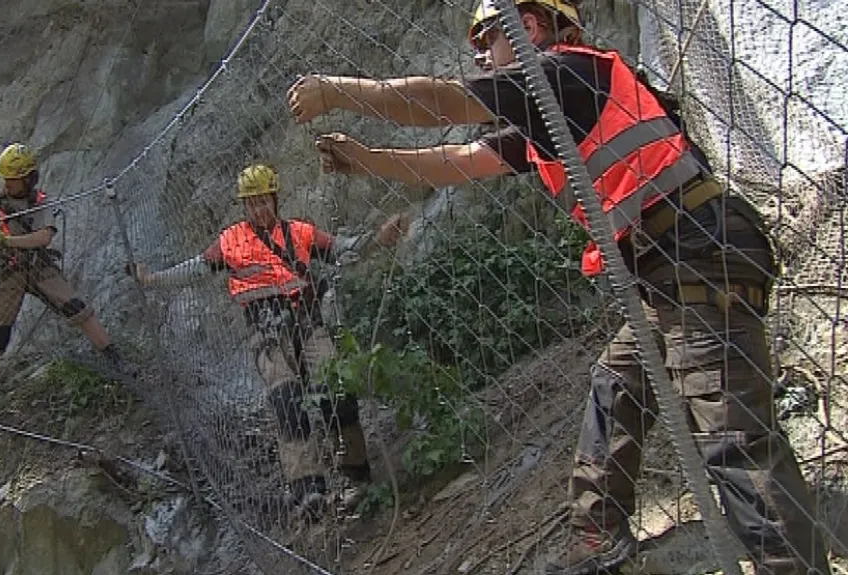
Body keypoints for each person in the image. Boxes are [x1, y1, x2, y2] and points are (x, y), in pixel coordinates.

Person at [284, 1, 830, 573]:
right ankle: (595, 539)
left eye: (487, 38)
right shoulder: (552, 116)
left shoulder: (564, 74)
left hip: (695, 255)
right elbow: (459, 161)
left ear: (532, 26)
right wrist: (368, 159)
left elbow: (443, 100)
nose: (481, 54)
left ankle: (790, 564)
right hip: (672, 269)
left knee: (735, 443)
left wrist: (338, 89)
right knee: (615, 381)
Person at [129, 164, 405, 520]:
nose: (258, 210)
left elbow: (341, 249)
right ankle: (308, 491)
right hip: (268, 332)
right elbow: (196, 268)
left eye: (263, 202)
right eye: (251, 204)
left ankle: (355, 473)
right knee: (287, 402)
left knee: (336, 392)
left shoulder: (300, 233)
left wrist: (379, 239)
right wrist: (153, 280)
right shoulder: (231, 241)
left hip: (308, 323)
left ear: (276, 199)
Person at [0, 143, 128, 419]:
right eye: (6, 179)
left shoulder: (40, 203)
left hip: (40, 267)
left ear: (28, 179)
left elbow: (43, 237)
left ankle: (117, 362)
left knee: (77, 308)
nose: (8, 184)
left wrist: (6, 240)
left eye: (13, 180)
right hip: (11, 273)